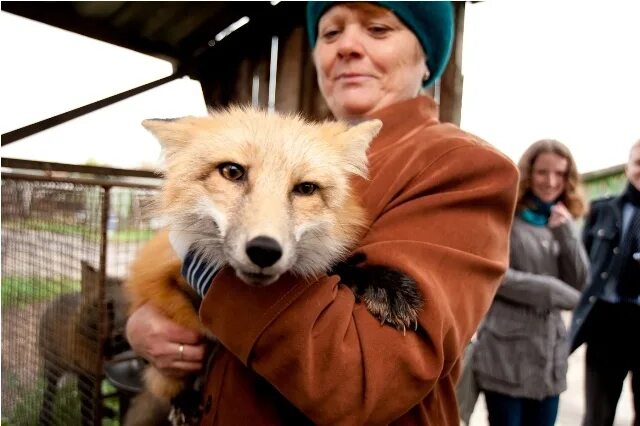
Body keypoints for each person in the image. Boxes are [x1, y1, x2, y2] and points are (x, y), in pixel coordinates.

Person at [126, 2, 520, 424]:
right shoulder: (298, 144)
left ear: (427, 57)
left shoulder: (462, 166)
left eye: (378, 29)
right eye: (330, 34)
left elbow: (362, 381)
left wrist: (205, 270)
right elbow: (159, 278)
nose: (347, 46)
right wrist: (144, 325)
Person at [472, 139, 590, 426]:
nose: (551, 182)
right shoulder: (503, 216)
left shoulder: (562, 221)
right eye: (542, 172)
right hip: (505, 354)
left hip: (549, 358)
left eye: (560, 174)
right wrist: (552, 291)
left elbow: (581, 282)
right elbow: (497, 275)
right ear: (528, 173)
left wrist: (567, 234)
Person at [570, 140, 640, 426]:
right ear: (628, 166)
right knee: (597, 415)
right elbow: (579, 266)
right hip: (606, 322)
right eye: (639, 163)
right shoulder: (602, 210)